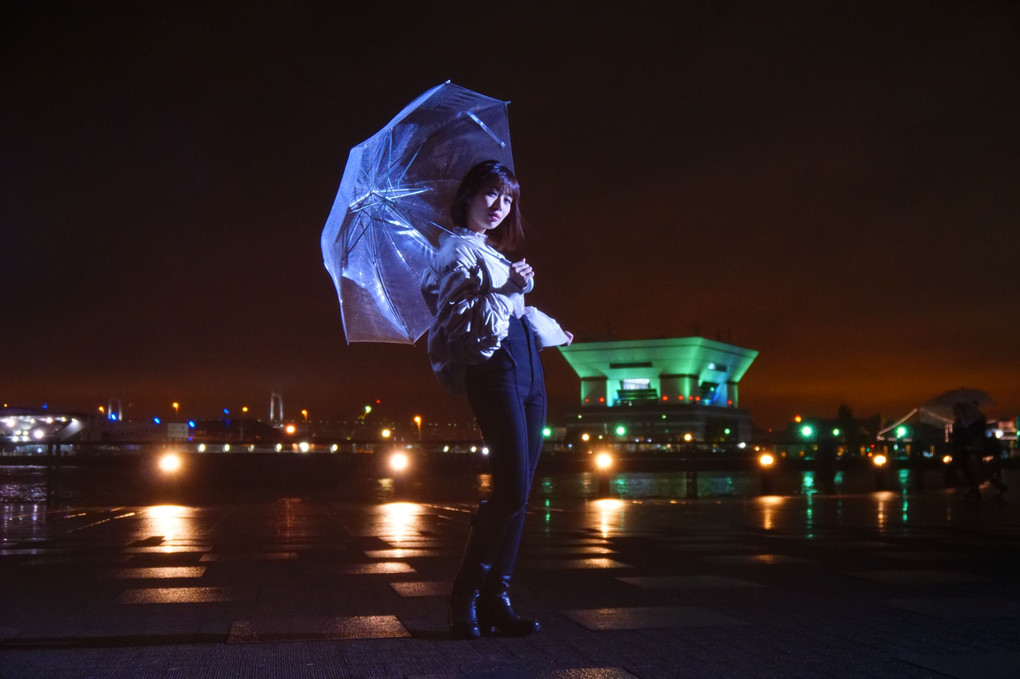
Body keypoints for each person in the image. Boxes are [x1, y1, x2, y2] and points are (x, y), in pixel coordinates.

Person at [420, 160, 572, 639]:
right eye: (490, 193)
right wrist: (507, 286)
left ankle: (496, 599)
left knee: (521, 492)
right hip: (494, 369)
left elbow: (515, 314)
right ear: (468, 195)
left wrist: (538, 313)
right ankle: (464, 596)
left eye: (507, 199)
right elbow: (463, 329)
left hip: (529, 367)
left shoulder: (491, 253)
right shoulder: (454, 253)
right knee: (508, 489)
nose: (499, 206)